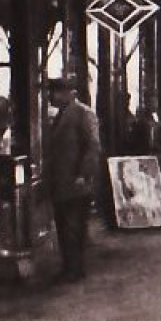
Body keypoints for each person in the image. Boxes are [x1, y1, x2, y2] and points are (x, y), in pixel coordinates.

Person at [46, 76, 101, 282]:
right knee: (64, 227)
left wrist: (83, 175)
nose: (52, 96)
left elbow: (93, 147)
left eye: (56, 92)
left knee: (73, 228)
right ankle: (69, 267)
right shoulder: (60, 116)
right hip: (62, 183)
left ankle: (75, 270)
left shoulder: (84, 114)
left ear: (70, 94)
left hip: (76, 183)